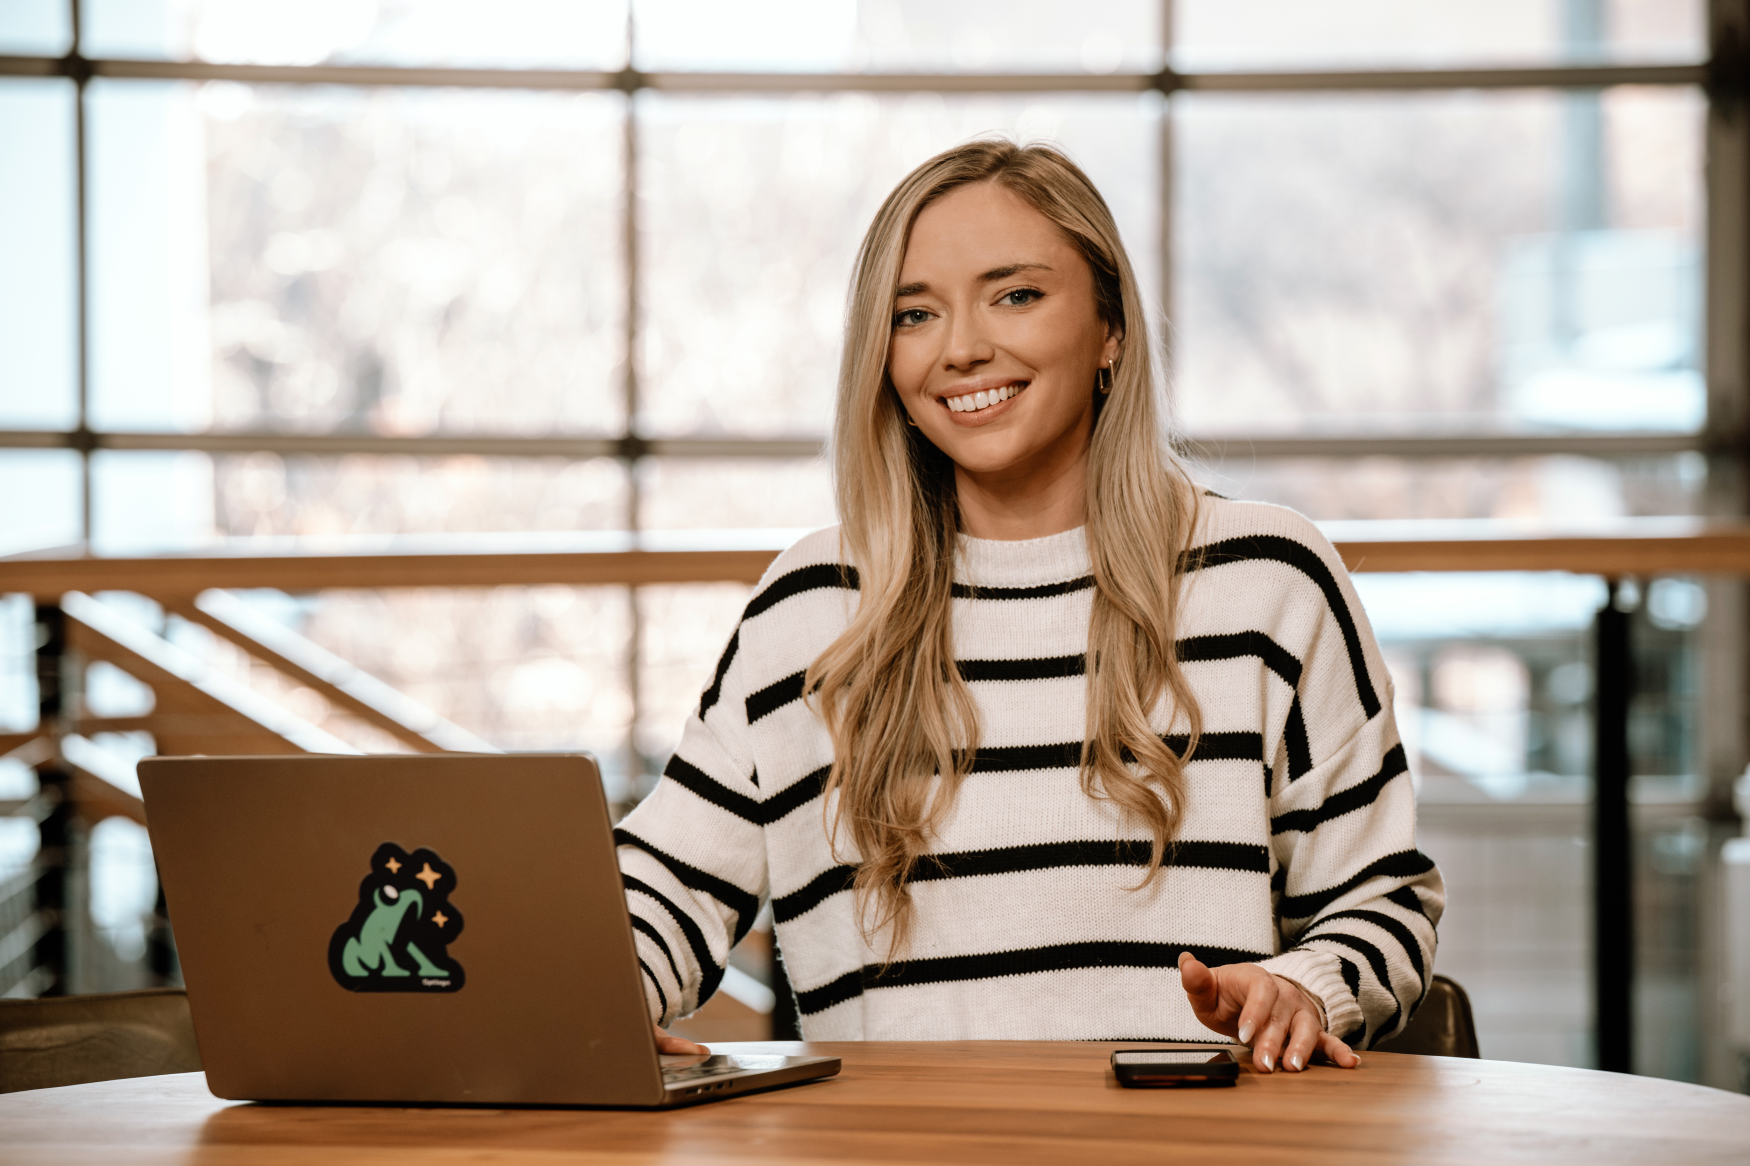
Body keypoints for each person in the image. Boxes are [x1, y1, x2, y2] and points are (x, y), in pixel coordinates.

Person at [617, 139, 1442, 1074]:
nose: (963, 346)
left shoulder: (1269, 580)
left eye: (1016, 295)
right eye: (915, 313)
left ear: (1110, 329)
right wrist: (592, 1004)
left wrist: (1305, 986)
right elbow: (662, 888)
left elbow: (1385, 901)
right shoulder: (811, 609)